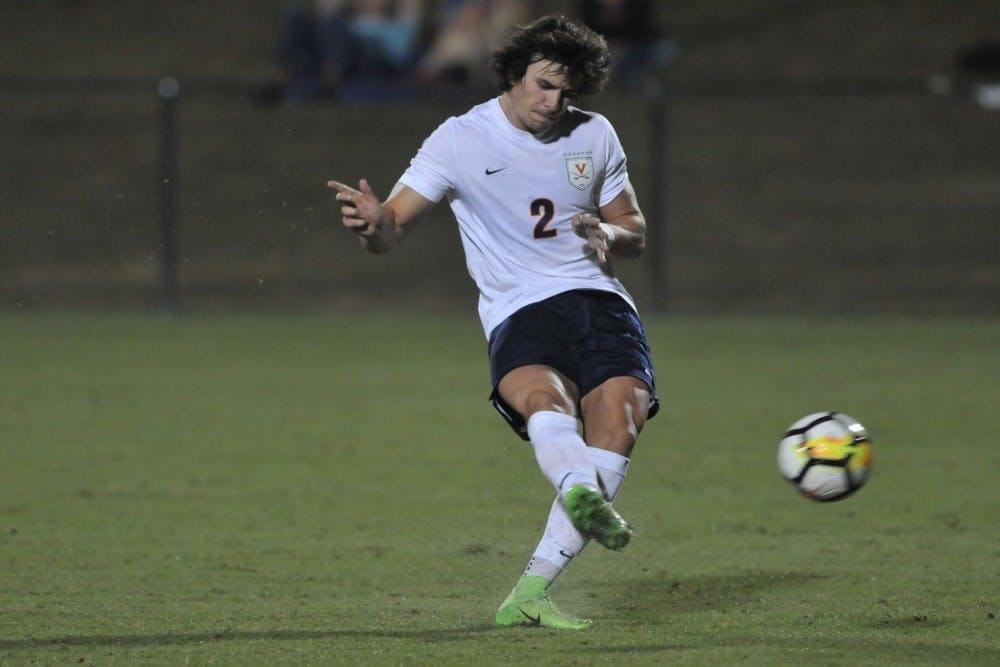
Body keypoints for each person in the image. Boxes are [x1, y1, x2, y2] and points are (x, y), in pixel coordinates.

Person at [328, 14, 659, 629]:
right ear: (514, 74)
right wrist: (375, 224)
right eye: (543, 85)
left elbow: (634, 230)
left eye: (567, 91)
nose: (553, 101)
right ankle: (579, 492)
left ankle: (532, 588)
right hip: (518, 306)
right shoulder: (460, 138)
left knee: (621, 417)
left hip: (598, 298)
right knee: (545, 401)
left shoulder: (595, 134)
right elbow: (393, 227)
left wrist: (609, 231)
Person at [258, 0, 425, 104]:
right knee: (296, 14)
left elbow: (412, 8)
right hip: (338, 49)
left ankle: (331, 79)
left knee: (337, 23)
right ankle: (282, 76)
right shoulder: (352, 17)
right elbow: (325, 9)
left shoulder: (399, 23)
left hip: (373, 55)